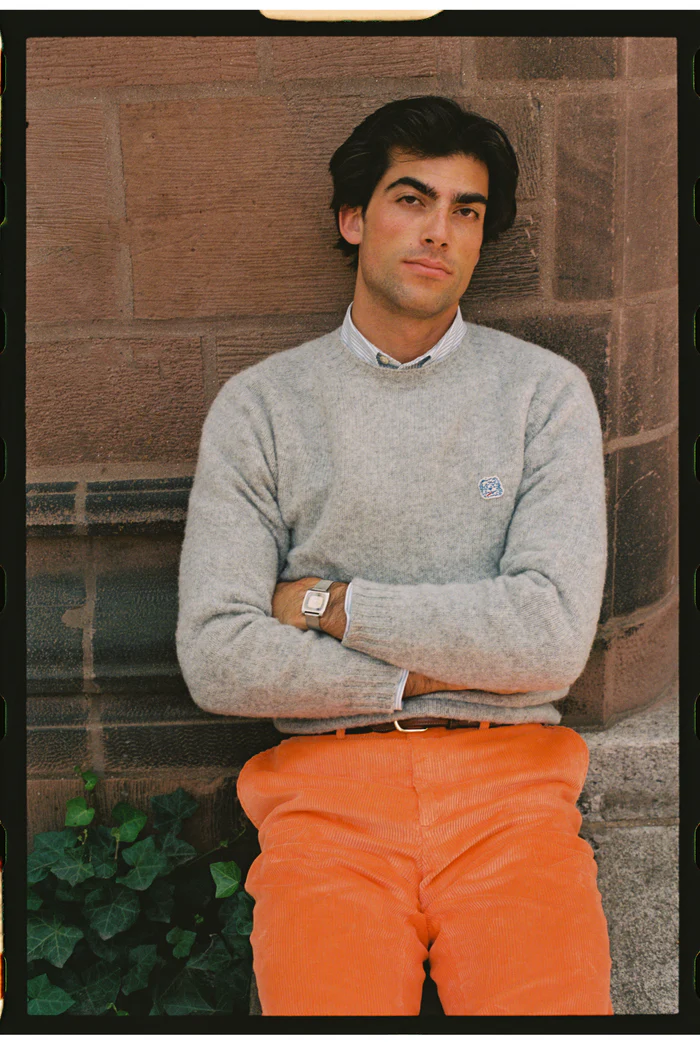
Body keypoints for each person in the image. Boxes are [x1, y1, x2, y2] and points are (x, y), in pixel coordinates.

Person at [176, 96, 613, 1017]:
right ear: (353, 218)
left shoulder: (544, 396)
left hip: (513, 790)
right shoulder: (262, 407)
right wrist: (440, 669)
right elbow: (217, 655)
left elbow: (549, 641)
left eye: (466, 210)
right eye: (412, 199)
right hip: (324, 798)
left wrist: (329, 605)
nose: (439, 231)